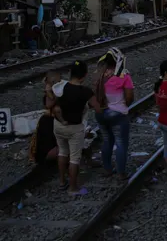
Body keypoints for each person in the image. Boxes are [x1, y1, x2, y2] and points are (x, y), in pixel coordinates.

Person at [52, 61, 102, 194]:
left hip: (58, 125)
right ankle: (73, 188)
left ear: (71, 73)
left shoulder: (61, 86)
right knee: (74, 158)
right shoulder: (85, 92)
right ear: (84, 75)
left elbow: (53, 102)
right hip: (75, 128)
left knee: (62, 152)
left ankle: (62, 182)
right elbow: (97, 108)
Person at [96, 50, 134, 180]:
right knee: (121, 143)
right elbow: (129, 97)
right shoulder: (123, 76)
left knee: (107, 141)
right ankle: (121, 173)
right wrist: (123, 105)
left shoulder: (100, 75)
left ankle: (107, 169)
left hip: (101, 113)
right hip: (118, 114)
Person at [29, 71, 61, 164]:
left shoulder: (54, 90)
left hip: (51, 121)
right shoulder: (52, 91)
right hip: (51, 123)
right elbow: (49, 104)